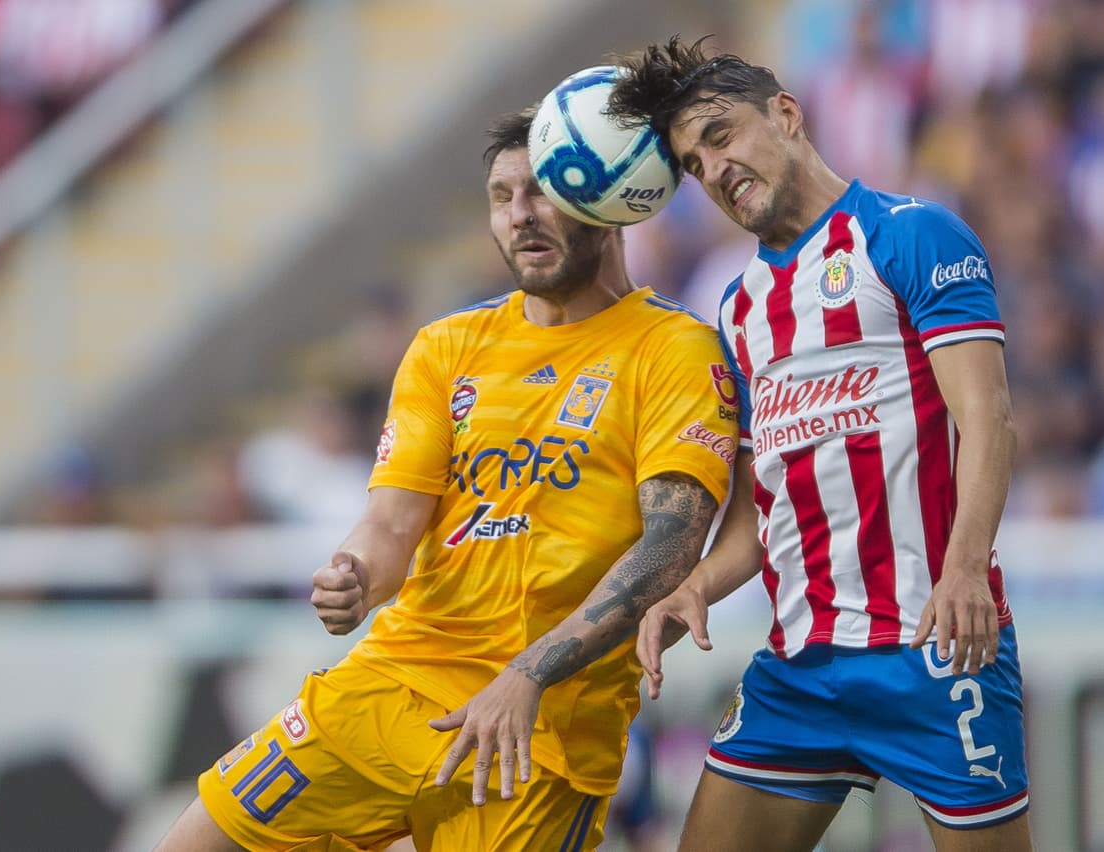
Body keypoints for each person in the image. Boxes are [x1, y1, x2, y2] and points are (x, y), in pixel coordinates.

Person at [154, 106, 738, 852]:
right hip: (393, 683)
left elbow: (671, 546)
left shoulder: (677, 350)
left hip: (541, 733)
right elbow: (393, 524)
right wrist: (357, 575)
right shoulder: (446, 346)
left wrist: (529, 673)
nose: (520, 215)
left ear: (603, 196)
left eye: (543, 190)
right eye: (502, 197)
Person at [605, 37, 1034, 851]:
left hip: (934, 649)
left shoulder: (913, 236)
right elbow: (759, 508)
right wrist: (698, 584)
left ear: (788, 115)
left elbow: (989, 417)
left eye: (722, 135)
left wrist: (967, 567)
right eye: (694, 165)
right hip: (800, 667)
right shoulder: (736, 310)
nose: (714, 169)